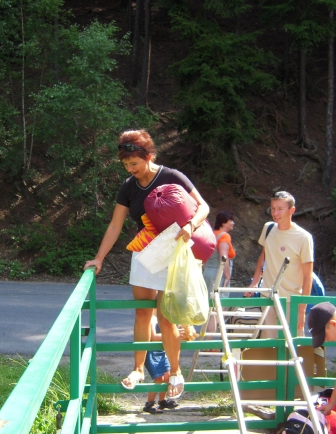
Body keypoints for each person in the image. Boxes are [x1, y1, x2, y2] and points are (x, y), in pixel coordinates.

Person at [83, 129, 210, 400]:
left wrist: (191, 225)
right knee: (142, 313)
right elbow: (115, 224)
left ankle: (175, 372)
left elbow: (203, 207)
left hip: (172, 252)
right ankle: (138, 369)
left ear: (149, 156)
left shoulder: (172, 176)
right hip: (145, 252)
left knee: (166, 317)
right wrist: (99, 258)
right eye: (126, 165)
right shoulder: (129, 187)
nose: (130, 170)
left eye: (134, 164)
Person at [246, 191, 313, 335]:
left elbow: (308, 277)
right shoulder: (268, 228)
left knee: (292, 344)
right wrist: (254, 283)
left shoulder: (303, 237)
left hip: (291, 300)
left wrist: (302, 310)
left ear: (292, 210)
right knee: (269, 342)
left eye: (280, 209)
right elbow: (263, 257)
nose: (275, 213)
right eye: (273, 208)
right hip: (267, 297)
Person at [143, 312, 179, 414]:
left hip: (162, 350)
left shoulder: (163, 316)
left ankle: (162, 400)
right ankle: (149, 403)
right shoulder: (150, 318)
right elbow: (153, 337)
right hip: (152, 351)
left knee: (167, 375)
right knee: (159, 378)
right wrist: (171, 334)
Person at [203, 211, 236, 295]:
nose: (233, 223)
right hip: (218, 275)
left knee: (208, 299)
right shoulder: (225, 236)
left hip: (207, 272)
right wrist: (227, 276)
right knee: (219, 300)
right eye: (231, 220)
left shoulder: (211, 234)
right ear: (223, 223)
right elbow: (223, 258)